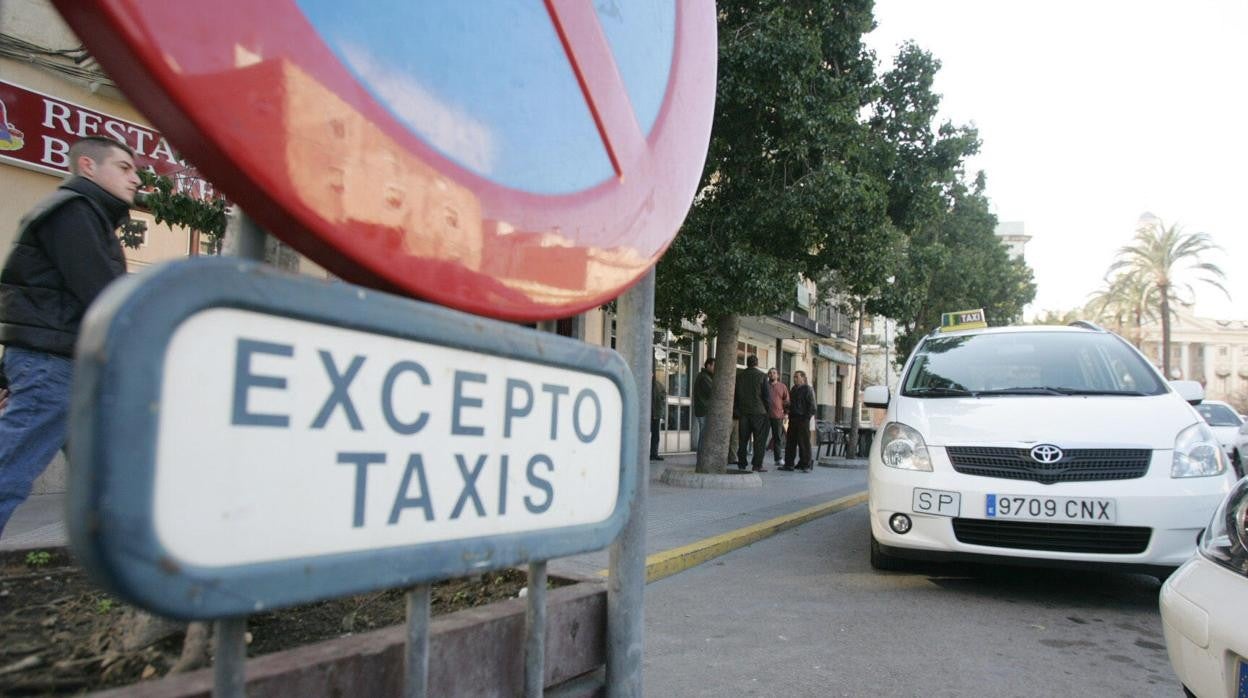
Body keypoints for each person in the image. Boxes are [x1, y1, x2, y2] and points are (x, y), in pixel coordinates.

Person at [0, 136, 138, 537]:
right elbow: (103, 294)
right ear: (88, 167)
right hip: (54, 367)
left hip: (65, 366)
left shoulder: (86, 214)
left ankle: (133, 571)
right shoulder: (74, 211)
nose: (135, 180)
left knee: (105, 479)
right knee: (10, 471)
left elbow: (36, 297)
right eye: (124, 168)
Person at [734, 354, 771, 472]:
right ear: (756, 363)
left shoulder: (740, 376)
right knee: (759, 440)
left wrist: (737, 410)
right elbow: (766, 396)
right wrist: (767, 411)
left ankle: (742, 463)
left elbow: (735, 395)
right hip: (759, 413)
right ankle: (757, 464)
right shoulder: (762, 376)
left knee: (743, 440)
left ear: (747, 363)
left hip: (744, 412)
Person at [781, 370, 816, 471]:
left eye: (797, 377)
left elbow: (812, 407)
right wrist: (787, 408)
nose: (794, 379)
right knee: (790, 442)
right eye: (794, 377)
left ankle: (805, 464)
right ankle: (789, 464)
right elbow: (792, 404)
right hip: (793, 418)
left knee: (803, 443)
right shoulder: (793, 389)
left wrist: (806, 418)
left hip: (802, 419)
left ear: (803, 378)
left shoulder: (808, 389)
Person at [765, 367, 789, 465]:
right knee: (762, 438)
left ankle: (778, 459)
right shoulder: (765, 385)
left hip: (778, 415)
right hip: (765, 415)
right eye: (770, 373)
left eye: (774, 373)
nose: (772, 374)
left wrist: (786, 413)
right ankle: (758, 460)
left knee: (777, 438)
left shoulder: (782, 386)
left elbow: (787, 401)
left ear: (778, 375)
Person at [692, 357, 714, 454]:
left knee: (704, 434)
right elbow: (712, 391)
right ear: (708, 365)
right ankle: (701, 456)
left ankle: (702, 455)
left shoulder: (705, 376)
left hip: (703, 409)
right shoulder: (704, 377)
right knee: (704, 435)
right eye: (714, 366)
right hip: (703, 410)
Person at [650, 373, 667, 461]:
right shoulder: (643, 383)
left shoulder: (658, 384)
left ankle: (654, 454)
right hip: (647, 414)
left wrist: (661, 399)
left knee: (655, 435)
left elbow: (664, 394)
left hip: (655, 413)